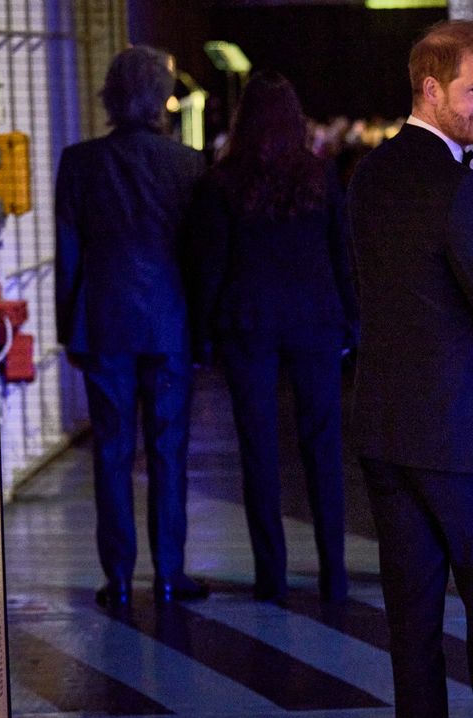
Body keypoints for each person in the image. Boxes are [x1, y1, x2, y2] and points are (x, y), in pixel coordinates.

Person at [347, 20, 473, 718]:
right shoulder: (464, 191)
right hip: (467, 443)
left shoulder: (368, 173)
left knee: (412, 629)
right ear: (431, 90)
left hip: (386, 431)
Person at [186, 71, 356, 604]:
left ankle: (271, 576)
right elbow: (342, 255)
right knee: (322, 448)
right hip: (315, 321)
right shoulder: (321, 177)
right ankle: (334, 573)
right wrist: (351, 321)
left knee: (258, 450)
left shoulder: (221, 182)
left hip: (248, 323)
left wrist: (203, 333)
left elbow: (209, 266)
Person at [55, 46, 208, 607]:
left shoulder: (78, 162)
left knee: (112, 451)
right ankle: (169, 572)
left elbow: (69, 252)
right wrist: (202, 330)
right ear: (159, 97)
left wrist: (68, 327)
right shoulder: (188, 165)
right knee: (169, 451)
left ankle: (117, 576)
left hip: (103, 323)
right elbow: (198, 257)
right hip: (169, 323)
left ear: (111, 95)